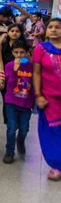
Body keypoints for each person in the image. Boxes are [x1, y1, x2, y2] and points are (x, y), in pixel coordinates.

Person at [33, 18, 61, 181]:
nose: (53, 30)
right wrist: (38, 94)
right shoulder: (41, 49)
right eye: (50, 27)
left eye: (58, 27)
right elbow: (36, 73)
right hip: (49, 98)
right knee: (52, 132)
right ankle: (56, 165)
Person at [2, 40, 35, 164]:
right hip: (11, 101)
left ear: (27, 53)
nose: (19, 55)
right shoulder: (9, 66)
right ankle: (9, 151)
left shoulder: (32, 67)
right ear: (12, 53)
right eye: (16, 52)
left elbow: (34, 84)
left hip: (26, 103)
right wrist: (15, 70)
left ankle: (20, 141)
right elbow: (9, 84)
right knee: (11, 127)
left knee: (24, 129)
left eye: (22, 52)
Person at [0, 24, 28, 122]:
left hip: (21, 78)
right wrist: (1, 76)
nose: (14, 33)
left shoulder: (24, 46)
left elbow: (29, 61)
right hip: (6, 77)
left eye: (17, 31)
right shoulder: (3, 45)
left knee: (19, 98)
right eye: (12, 31)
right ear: (7, 32)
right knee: (7, 100)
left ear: (21, 33)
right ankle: (9, 122)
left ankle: (19, 121)